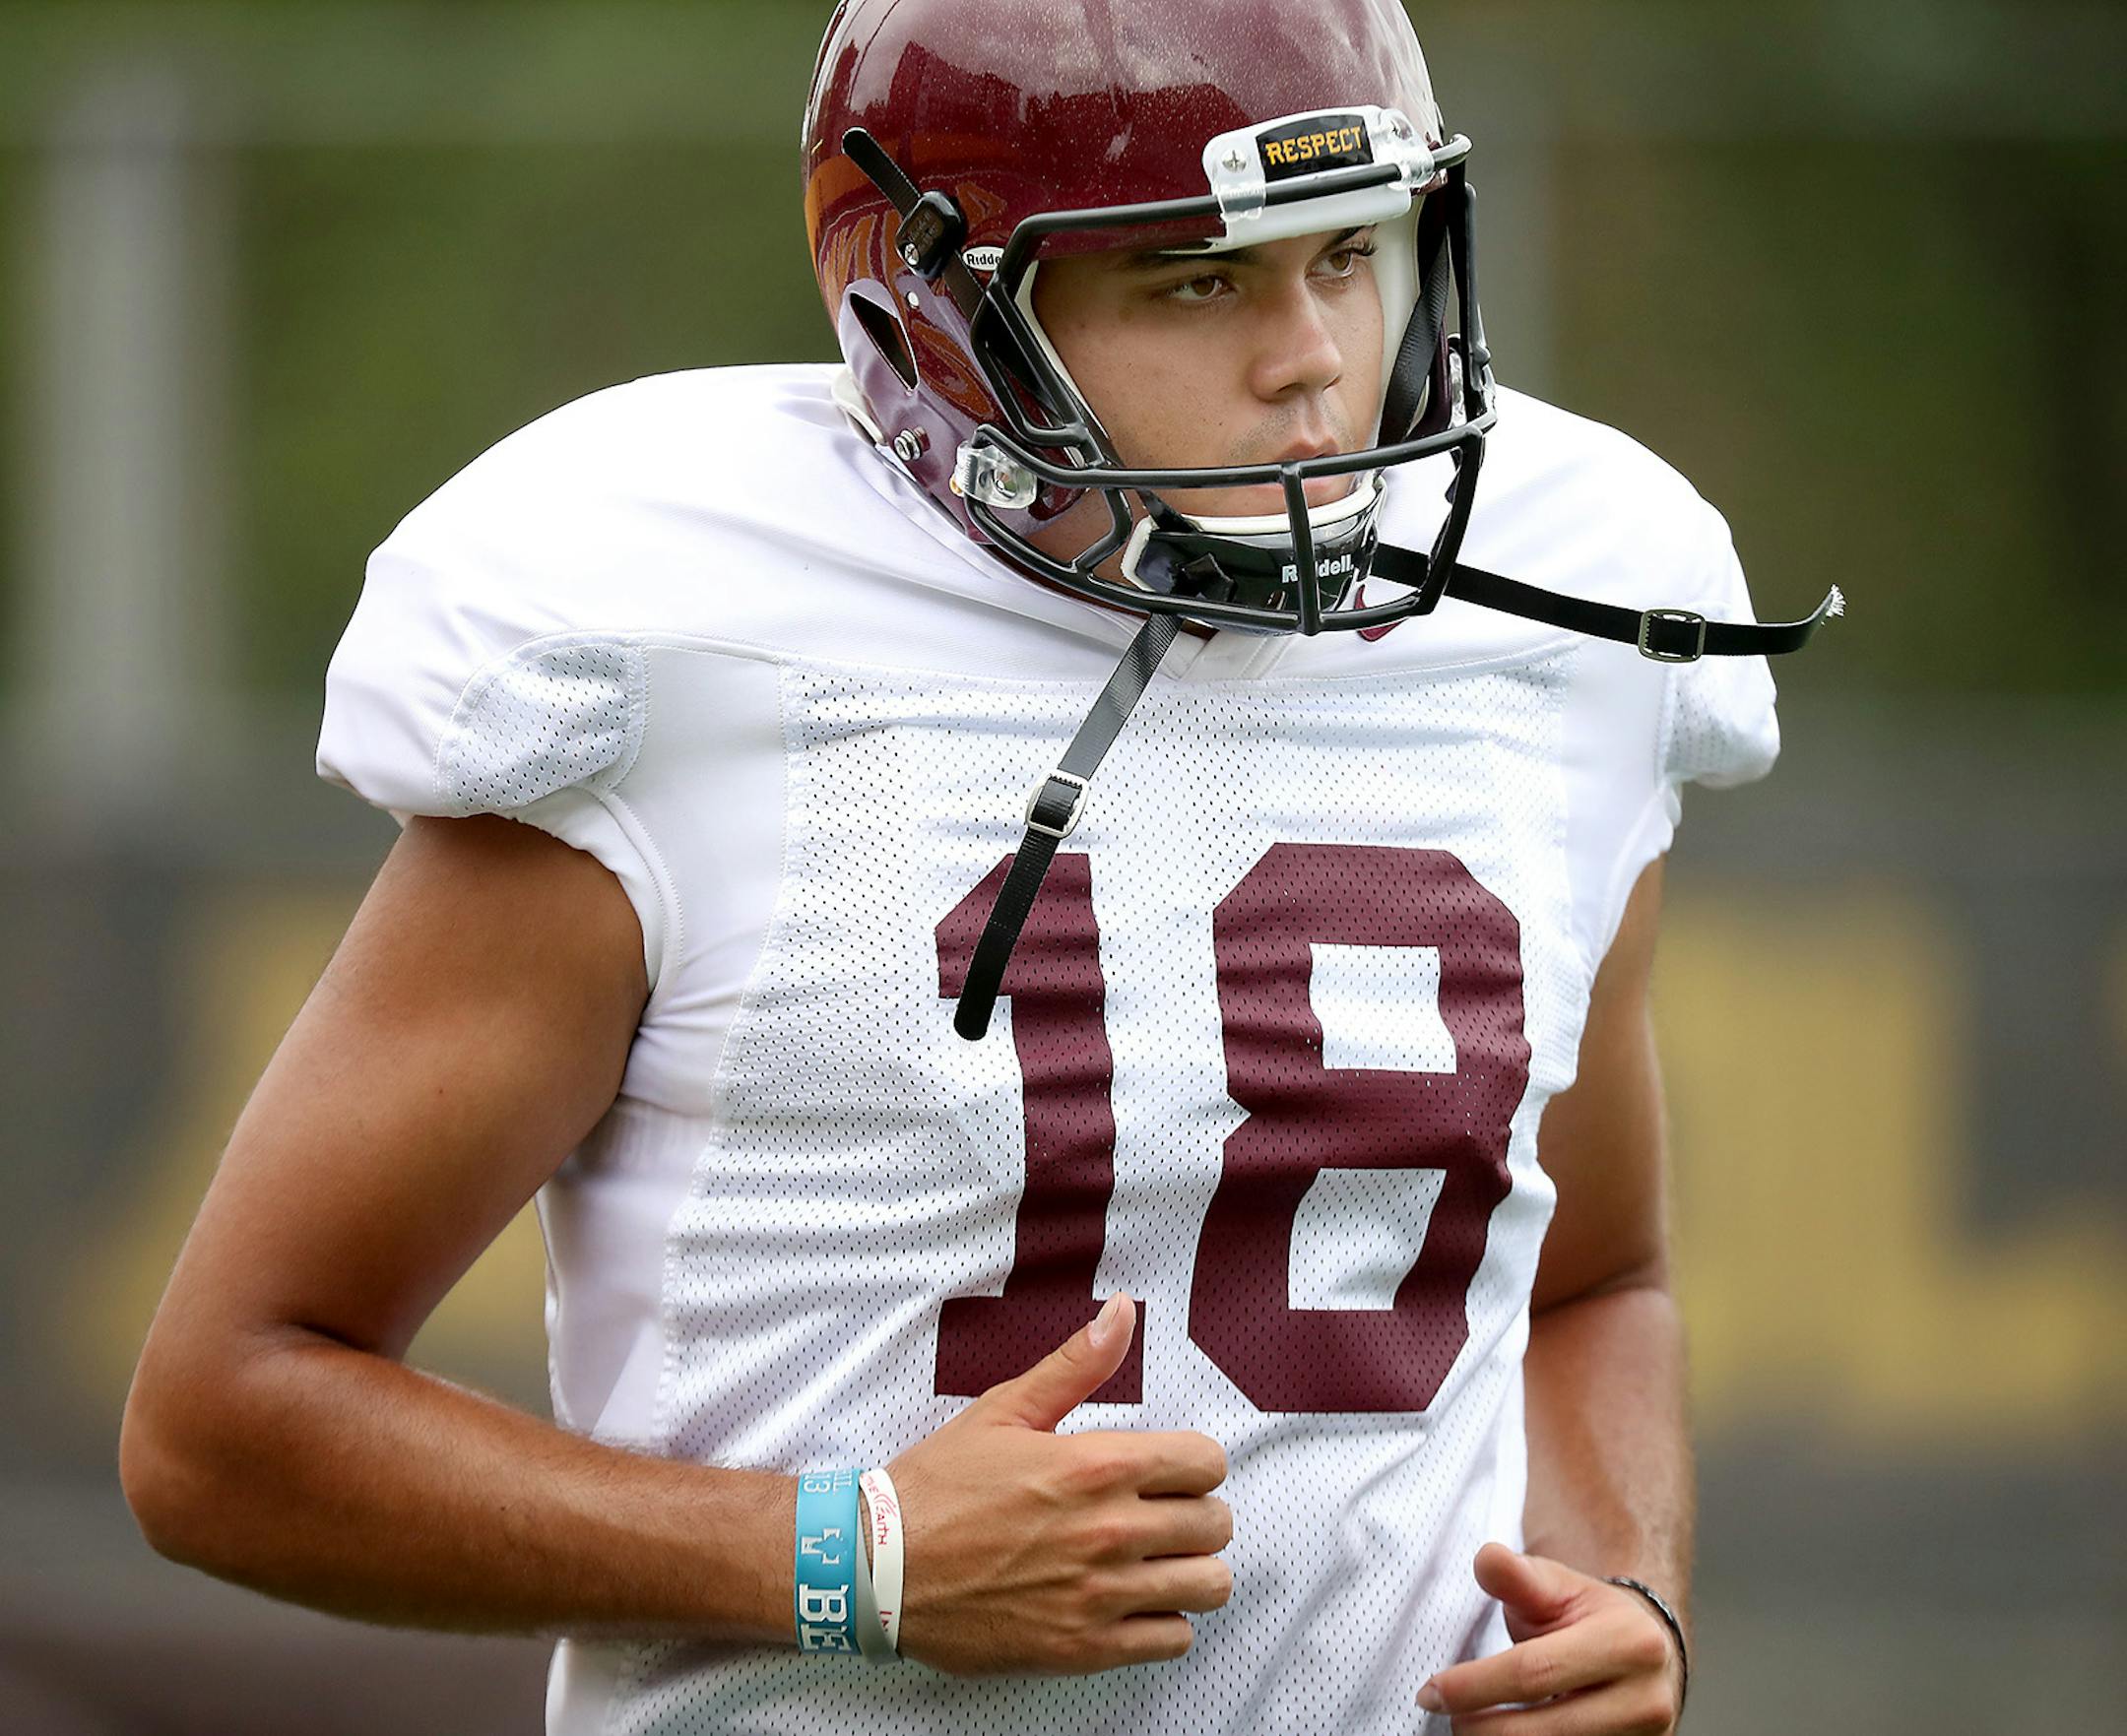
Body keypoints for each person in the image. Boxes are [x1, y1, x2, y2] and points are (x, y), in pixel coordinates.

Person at [120, 2, 1837, 1732]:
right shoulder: (690, 650)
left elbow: (1594, 1282)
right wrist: (837, 1559)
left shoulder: (1558, 631)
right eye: (1197, 281)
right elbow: (225, 1425)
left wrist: (1624, 1592)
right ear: (938, 323)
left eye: (1348, 255)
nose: (1315, 359)